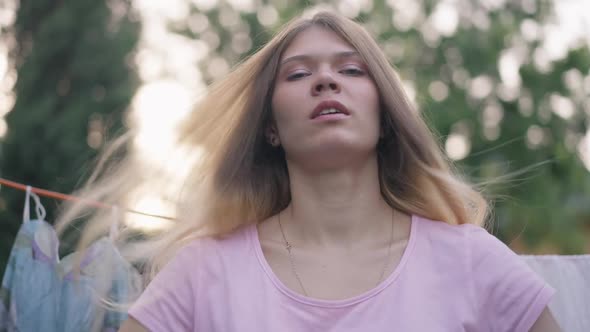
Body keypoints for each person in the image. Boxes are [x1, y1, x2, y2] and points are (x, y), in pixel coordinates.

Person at [57, 9, 560, 332]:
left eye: (351, 70)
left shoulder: (471, 261)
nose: (325, 80)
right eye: (298, 74)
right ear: (271, 129)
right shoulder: (202, 272)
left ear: (385, 116)